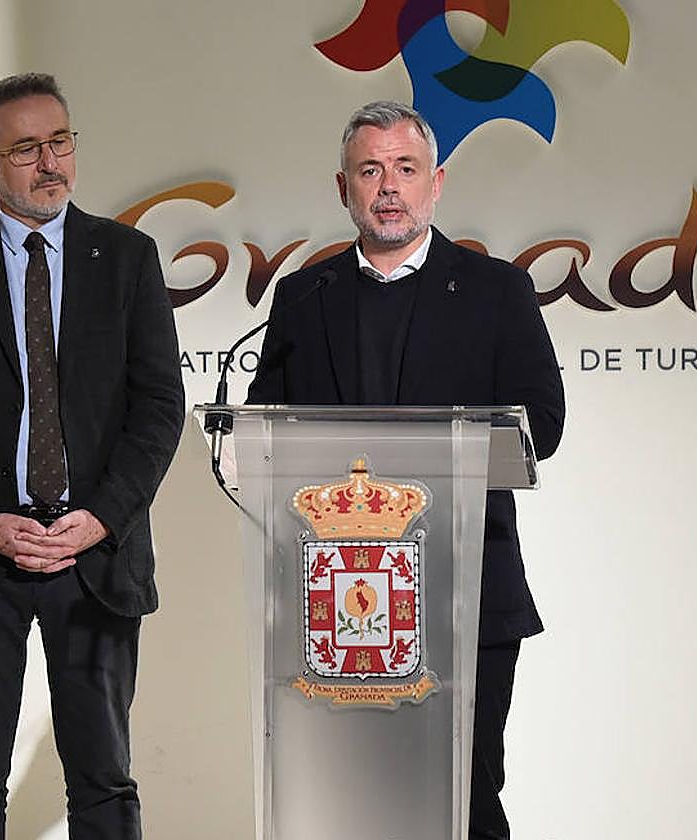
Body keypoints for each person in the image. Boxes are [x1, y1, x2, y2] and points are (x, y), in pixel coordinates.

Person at [0, 72, 184, 840]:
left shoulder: (127, 257)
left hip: (94, 555)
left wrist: (103, 518)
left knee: (105, 781)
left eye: (60, 142)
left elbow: (157, 409)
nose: (51, 164)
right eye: (26, 150)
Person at [246, 101, 564, 839]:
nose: (389, 187)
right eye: (370, 170)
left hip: (465, 595)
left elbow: (541, 424)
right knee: (351, 806)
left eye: (406, 169)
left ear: (436, 183)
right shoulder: (305, 296)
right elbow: (265, 433)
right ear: (344, 189)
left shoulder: (496, 291)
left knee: (467, 801)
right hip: (336, 601)